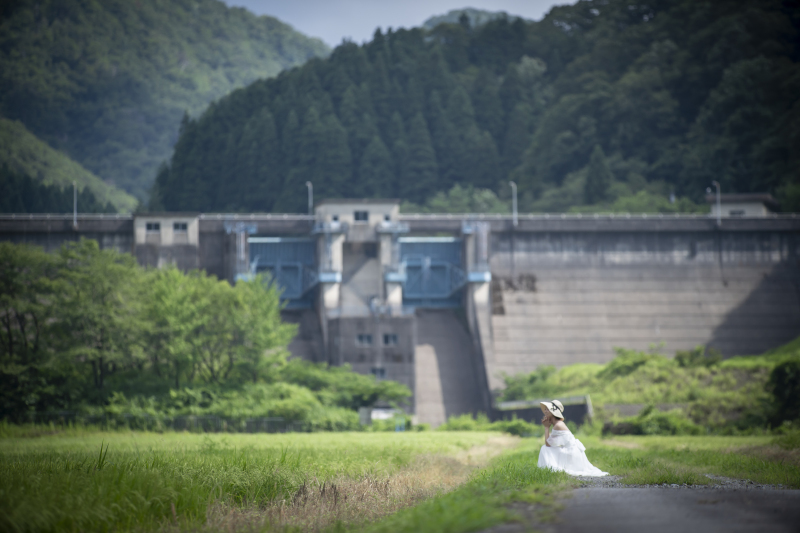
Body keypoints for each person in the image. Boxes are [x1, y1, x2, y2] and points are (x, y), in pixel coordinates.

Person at [537, 400, 608, 477]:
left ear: (553, 412)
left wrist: (546, 428)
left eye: (548, 409)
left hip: (571, 454)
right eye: (545, 409)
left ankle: (548, 470)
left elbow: (548, 444)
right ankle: (548, 470)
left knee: (544, 449)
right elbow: (550, 444)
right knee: (546, 448)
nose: (545, 411)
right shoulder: (557, 424)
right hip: (571, 452)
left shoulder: (558, 425)